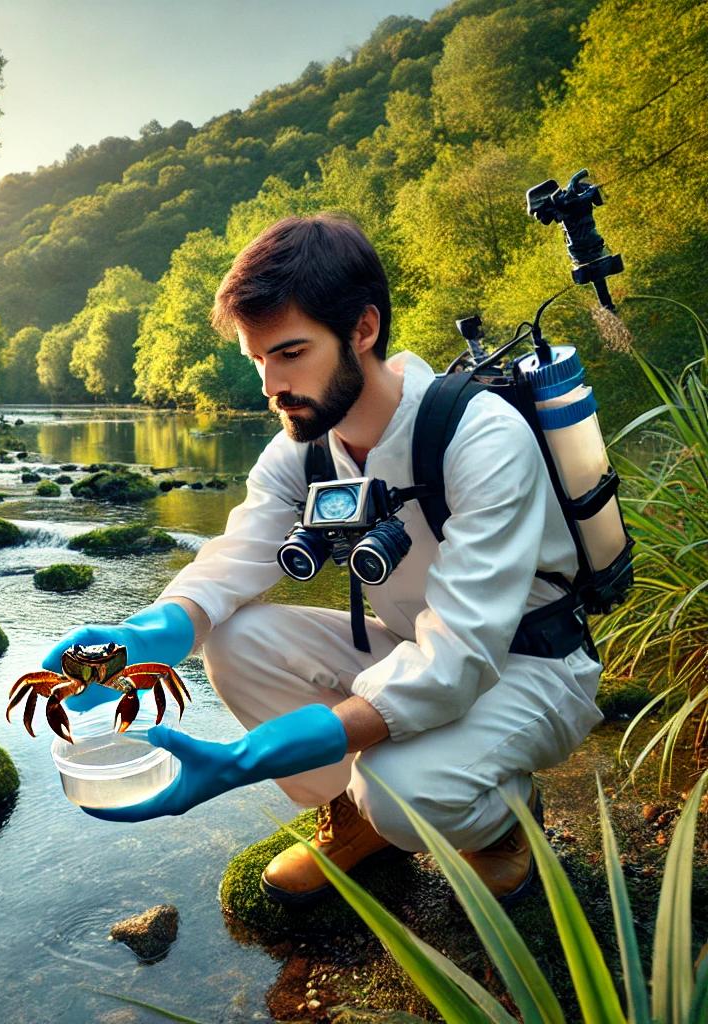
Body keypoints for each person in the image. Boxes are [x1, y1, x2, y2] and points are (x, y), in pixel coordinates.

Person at [42, 214, 604, 905]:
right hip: (410, 642)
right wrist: (146, 636)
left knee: (401, 790)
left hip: (532, 663)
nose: (269, 385)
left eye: (290, 353)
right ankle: (355, 816)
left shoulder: (482, 437)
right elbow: (235, 561)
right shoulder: (304, 450)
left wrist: (244, 762)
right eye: (257, 360)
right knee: (236, 639)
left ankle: (496, 823)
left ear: (362, 330)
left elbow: (459, 657)